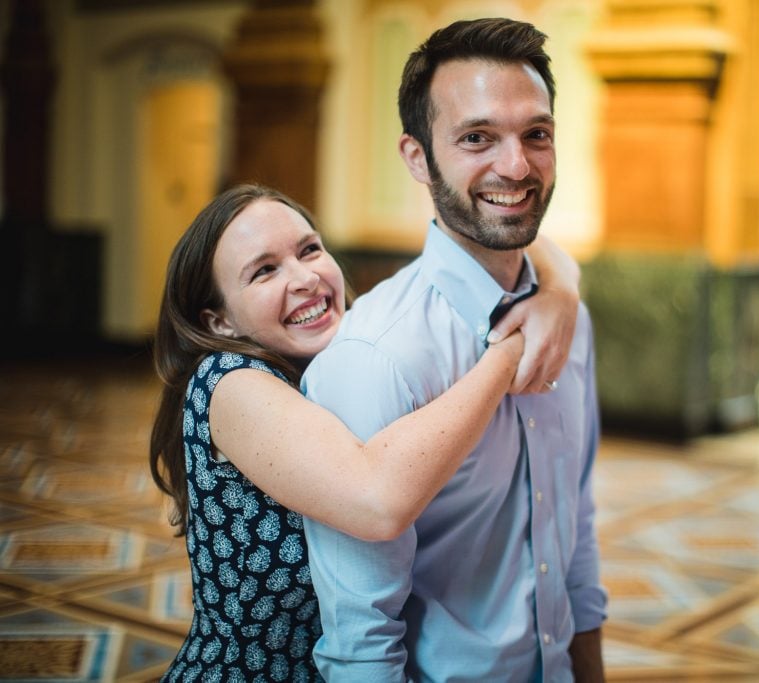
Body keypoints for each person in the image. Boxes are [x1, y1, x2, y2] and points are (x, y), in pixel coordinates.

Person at [148, 183, 582, 682]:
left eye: (309, 249)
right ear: (219, 320)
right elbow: (378, 501)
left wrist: (558, 292)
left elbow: (546, 250)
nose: (305, 277)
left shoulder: (347, 354)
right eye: (265, 271)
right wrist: (511, 348)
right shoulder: (228, 382)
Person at [301, 18, 606, 682]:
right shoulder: (376, 355)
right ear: (417, 157)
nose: (516, 165)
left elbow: (575, 525)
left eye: (537, 135)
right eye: (477, 138)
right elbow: (360, 639)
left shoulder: (566, 320)